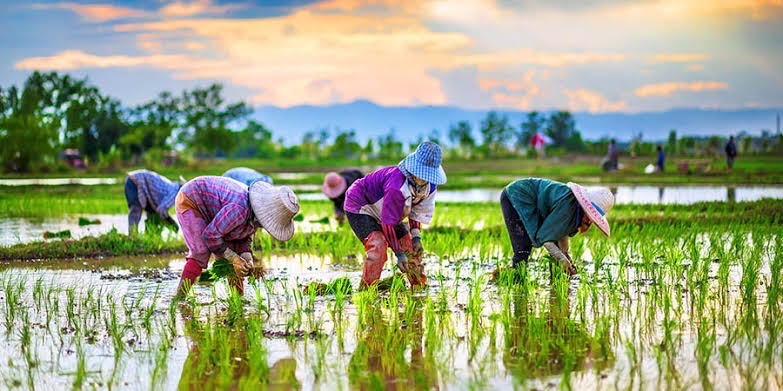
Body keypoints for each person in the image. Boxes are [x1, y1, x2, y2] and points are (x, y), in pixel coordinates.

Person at [344, 141, 446, 289]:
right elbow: (387, 223)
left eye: (427, 176)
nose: (422, 179)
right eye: (420, 174)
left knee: (410, 248)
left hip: (387, 208)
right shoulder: (397, 186)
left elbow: (417, 212)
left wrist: (416, 237)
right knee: (377, 246)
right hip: (361, 204)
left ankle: (419, 288)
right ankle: (367, 290)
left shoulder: (429, 187)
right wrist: (398, 253)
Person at [174, 176, 299, 297]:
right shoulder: (239, 209)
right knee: (201, 252)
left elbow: (243, 237)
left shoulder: (254, 216)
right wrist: (234, 258)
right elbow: (211, 236)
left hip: (215, 211)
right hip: (193, 199)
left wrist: (247, 258)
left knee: (235, 256)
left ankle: (238, 298)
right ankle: (179, 298)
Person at [499, 178, 614, 276]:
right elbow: (545, 238)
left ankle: (555, 280)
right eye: (590, 216)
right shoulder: (568, 206)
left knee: (556, 252)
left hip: (530, 198)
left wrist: (566, 258)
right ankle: (515, 279)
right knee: (523, 248)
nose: (589, 221)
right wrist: (562, 259)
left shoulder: (575, 209)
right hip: (517, 196)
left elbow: (560, 232)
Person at [125, 169, 183, 236]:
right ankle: (132, 236)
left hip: (141, 184)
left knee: (152, 214)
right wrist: (170, 222)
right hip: (135, 181)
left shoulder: (172, 187)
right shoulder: (175, 193)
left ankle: (150, 235)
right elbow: (161, 210)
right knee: (136, 210)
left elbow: (156, 209)